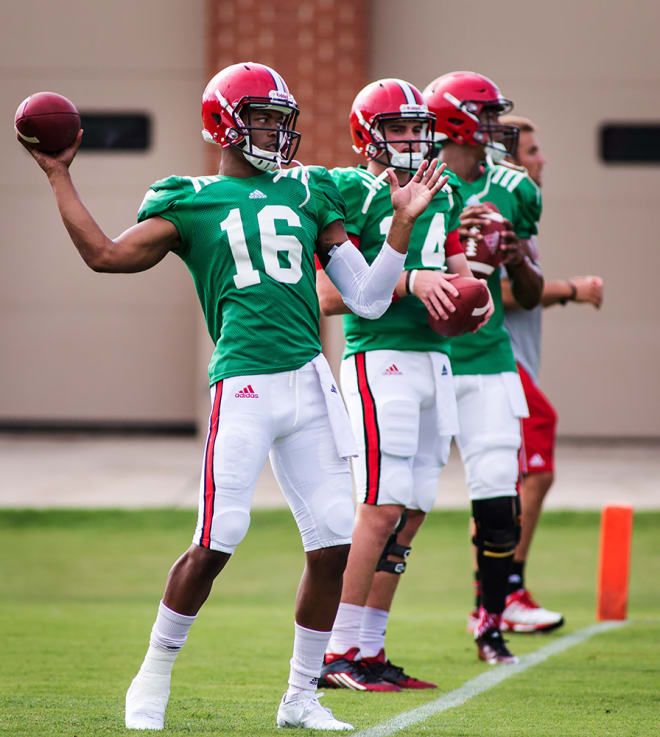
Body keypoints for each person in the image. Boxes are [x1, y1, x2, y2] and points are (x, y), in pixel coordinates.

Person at [18, 61, 449, 731]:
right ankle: (153, 673)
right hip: (244, 382)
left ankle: (301, 695)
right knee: (217, 539)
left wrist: (398, 229)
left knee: (334, 543)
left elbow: (364, 297)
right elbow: (105, 255)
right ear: (224, 124)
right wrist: (58, 174)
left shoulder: (311, 191)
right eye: (265, 119)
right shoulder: (188, 197)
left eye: (284, 121)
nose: (278, 134)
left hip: (310, 381)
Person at [315, 78, 492, 690]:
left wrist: (475, 295)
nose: (413, 139)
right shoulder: (349, 190)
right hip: (380, 360)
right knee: (380, 506)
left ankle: (368, 649)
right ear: (369, 134)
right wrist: (412, 281)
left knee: (412, 511)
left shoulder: (442, 190)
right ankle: (333, 653)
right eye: (398, 128)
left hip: (435, 362)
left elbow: (459, 269)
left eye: (419, 127)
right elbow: (331, 293)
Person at [422, 71, 544, 664]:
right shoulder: (414, 184)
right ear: (458, 123)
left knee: (499, 505)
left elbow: (530, 286)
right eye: (488, 115)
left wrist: (516, 257)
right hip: (419, 357)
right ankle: (357, 642)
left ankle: (489, 622)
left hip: (488, 358)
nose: (500, 128)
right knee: (392, 506)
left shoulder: (514, 188)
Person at [494, 115, 604, 632]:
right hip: (495, 359)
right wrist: (570, 289)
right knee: (531, 470)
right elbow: (492, 292)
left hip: (508, 358)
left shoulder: (517, 210)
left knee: (505, 477)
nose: (542, 161)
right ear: (506, 159)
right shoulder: (493, 210)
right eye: (532, 151)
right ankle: (506, 594)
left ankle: (500, 596)